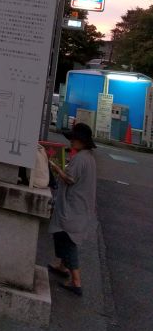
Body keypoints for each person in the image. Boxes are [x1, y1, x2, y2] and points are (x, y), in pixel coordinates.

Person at [48, 122, 97, 296]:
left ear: (80, 141)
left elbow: (69, 178)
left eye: (73, 139)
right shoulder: (88, 157)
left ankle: (76, 281)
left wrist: (55, 168)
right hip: (80, 207)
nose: (71, 142)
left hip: (73, 208)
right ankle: (62, 266)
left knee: (68, 240)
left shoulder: (80, 159)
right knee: (61, 234)